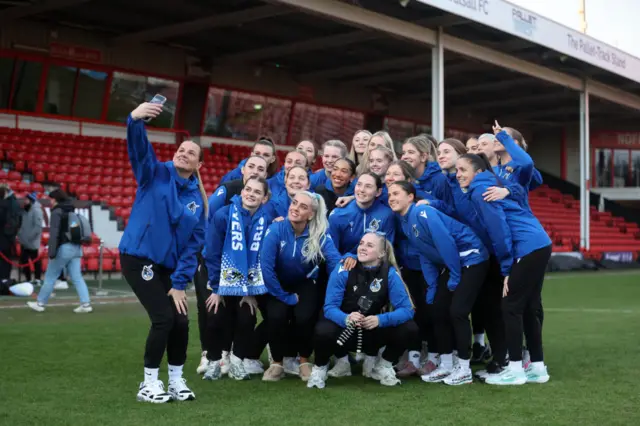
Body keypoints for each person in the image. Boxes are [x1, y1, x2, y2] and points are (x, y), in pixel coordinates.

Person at [118, 102, 206, 403]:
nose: (183, 153)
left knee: (181, 320)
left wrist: (179, 284)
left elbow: (192, 247)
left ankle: (176, 381)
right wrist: (135, 120)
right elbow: (139, 149)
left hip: (169, 270)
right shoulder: (153, 173)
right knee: (163, 319)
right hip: (138, 258)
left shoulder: (197, 201)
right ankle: (148, 384)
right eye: (181, 149)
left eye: (191, 152)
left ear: (199, 165)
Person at [455, 153, 552, 385]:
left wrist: (507, 268)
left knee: (510, 306)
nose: (457, 174)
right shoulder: (494, 183)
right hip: (540, 243)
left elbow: (499, 231)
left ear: (477, 172)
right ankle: (537, 368)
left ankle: (516, 370)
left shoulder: (481, 192)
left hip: (527, 247)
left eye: (462, 170)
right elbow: (519, 192)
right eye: (456, 170)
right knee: (526, 305)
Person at [388, 181, 489, 386]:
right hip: (455, 264)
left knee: (458, 312)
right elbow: (425, 254)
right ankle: (445, 364)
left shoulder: (423, 212)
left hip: (472, 258)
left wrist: (453, 275)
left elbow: (446, 242)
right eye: (389, 194)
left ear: (410, 197)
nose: (391, 197)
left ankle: (464, 368)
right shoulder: (405, 222)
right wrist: (433, 285)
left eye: (396, 193)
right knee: (438, 310)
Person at [307, 232, 418, 389]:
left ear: (381, 253)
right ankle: (320, 368)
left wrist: (380, 320)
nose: (363, 248)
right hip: (345, 329)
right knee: (323, 329)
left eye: (370, 245)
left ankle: (384, 365)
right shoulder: (344, 268)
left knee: (410, 328)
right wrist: (346, 318)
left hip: (371, 331)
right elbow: (329, 307)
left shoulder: (390, 274)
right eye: (361, 243)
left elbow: (407, 310)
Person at [195, 154, 269, 376]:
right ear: (241, 191)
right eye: (248, 190)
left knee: (246, 316)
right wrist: (217, 288)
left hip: (249, 282)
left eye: (257, 192)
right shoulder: (223, 215)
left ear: (264, 198)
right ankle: (214, 360)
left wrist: (251, 291)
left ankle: (238, 360)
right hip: (220, 276)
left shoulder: (266, 220)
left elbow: (262, 259)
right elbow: (213, 254)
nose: (251, 194)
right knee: (215, 313)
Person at [260, 192, 343, 382]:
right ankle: (277, 363)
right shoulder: (275, 229)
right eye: (294, 203)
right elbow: (266, 269)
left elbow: (335, 262)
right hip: (277, 282)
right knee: (276, 316)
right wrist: (285, 297)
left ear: (311, 214)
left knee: (305, 317)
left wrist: (349, 261)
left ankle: (304, 361)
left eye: (303, 207)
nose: (295, 208)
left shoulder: (319, 233)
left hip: (305, 282)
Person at [26, 189, 92, 314]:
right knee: (77, 277)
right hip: (76, 247)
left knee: (50, 277)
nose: (50, 201)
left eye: (51, 199)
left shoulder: (57, 212)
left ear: (55, 199)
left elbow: (54, 233)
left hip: (64, 247)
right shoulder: (71, 209)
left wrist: (52, 251)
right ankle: (86, 303)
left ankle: (40, 303)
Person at [328, 172, 395, 257]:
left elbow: (386, 251)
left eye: (368, 186)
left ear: (378, 192)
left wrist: (356, 259)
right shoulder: (338, 214)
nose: (362, 190)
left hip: (374, 265)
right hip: (345, 265)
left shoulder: (387, 215)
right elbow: (332, 253)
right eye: (359, 184)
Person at [401, 135, 452, 205]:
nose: (405, 157)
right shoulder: (402, 178)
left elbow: (449, 208)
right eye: (403, 153)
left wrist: (430, 202)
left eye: (411, 152)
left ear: (423, 157)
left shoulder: (440, 179)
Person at [17, 192, 43, 284]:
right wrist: (20, 235)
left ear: (31, 200)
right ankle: (28, 279)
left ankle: (37, 279)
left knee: (35, 261)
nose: (24, 201)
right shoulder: (24, 210)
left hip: (32, 241)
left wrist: (29, 237)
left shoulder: (37, 210)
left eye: (26, 199)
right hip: (24, 241)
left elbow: (37, 227)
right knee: (24, 261)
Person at [0, 184, 21, 281]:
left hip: (4, 236)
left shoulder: (7, 203)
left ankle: (3, 278)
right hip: (8, 235)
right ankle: (4, 278)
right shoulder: (13, 202)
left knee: (4, 259)